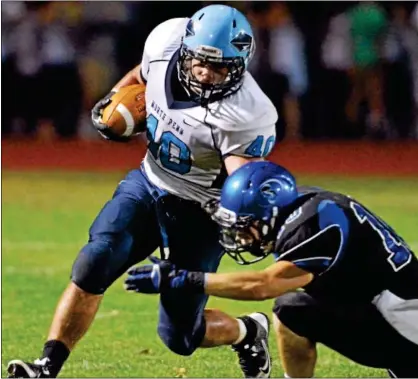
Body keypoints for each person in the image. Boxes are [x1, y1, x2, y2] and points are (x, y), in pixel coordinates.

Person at [7, 5, 278, 378]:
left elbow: (240, 179)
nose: (206, 73)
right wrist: (117, 100)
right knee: (94, 260)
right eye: (200, 60)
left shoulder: (248, 113)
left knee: (181, 336)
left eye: (220, 67)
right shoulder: (166, 40)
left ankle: (248, 332)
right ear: (185, 49)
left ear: (240, 64)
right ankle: (46, 366)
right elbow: (141, 74)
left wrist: (247, 216)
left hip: (201, 212)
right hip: (150, 183)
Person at [125, 161, 418, 378]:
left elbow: (262, 285)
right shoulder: (305, 206)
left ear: (269, 212)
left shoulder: (311, 227)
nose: (241, 237)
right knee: (295, 310)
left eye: (246, 225)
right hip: (387, 307)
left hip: (404, 322)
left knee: (290, 309)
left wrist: (183, 279)